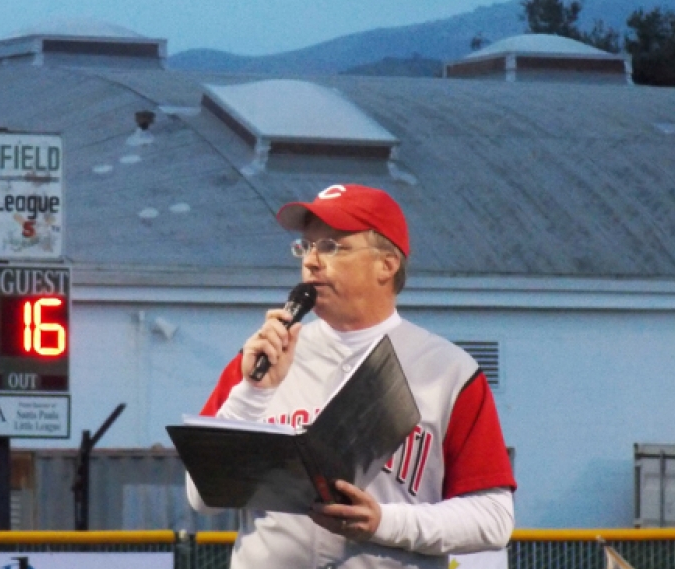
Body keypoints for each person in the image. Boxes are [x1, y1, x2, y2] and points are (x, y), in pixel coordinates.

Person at [186, 183, 517, 569]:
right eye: (305, 247)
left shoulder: (448, 370)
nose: (311, 260)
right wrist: (253, 392)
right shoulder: (259, 358)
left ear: (387, 263)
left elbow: (493, 518)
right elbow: (201, 498)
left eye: (330, 246)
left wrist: (385, 522)